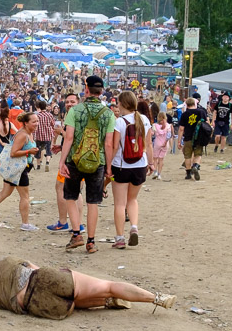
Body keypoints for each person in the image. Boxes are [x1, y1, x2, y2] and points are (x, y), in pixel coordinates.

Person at [0, 256, 175, 319]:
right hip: (46, 279)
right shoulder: (4, 262)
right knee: (107, 285)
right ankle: (155, 298)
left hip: (43, 307)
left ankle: (108, 301)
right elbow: (34, 267)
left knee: (73, 301)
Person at [60, 75, 117, 254]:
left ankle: (76, 234)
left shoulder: (75, 111)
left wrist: (62, 161)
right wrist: (108, 167)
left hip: (74, 160)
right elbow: (109, 143)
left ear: (86, 89)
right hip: (97, 161)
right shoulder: (108, 114)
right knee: (93, 202)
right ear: (101, 91)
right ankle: (91, 242)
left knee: (70, 196)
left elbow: (68, 137)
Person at [108, 90, 151, 249]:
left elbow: (114, 146)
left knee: (119, 204)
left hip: (121, 166)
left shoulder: (119, 122)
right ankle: (134, 227)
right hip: (140, 165)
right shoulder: (144, 119)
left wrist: (108, 166)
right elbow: (149, 144)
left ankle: (120, 238)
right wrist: (151, 163)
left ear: (121, 104)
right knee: (132, 199)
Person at [0, 112, 38, 232]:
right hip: (18, 169)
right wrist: (29, 152)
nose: (36, 124)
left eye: (37, 121)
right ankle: (25, 223)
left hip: (17, 169)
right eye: (34, 122)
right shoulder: (23, 135)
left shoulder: (28, 133)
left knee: (5, 193)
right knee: (25, 196)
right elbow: (13, 153)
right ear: (26, 123)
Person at [47, 92, 81, 231]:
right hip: (77, 158)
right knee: (76, 191)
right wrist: (61, 147)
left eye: (72, 102)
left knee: (61, 188)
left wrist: (61, 132)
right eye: (67, 102)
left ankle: (64, 222)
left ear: (78, 102)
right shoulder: (74, 116)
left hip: (72, 161)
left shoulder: (76, 117)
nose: (69, 104)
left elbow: (73, 137)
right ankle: (77, 223)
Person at [177, 97, 209, 180]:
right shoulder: (201, 112)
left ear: (186, 105)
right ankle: (196, 165)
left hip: (188, 137)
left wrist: (179, 141)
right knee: (198, 154)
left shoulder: (184, 114)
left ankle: (188, 174)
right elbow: (207, 124)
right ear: (195, 104)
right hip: (199, 137)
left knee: (187, 156)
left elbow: (181, 129)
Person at [33, 99, 55, 171]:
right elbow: (53, 124)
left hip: (39, 135)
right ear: (46, 106)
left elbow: (35, 125)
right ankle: (47, 162)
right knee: (48, 150)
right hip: (48, 135)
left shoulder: (37, 115)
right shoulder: (50, 115)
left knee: (38, 150)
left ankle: (38, 165)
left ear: (39, 106)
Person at [150, 112, 171, 179]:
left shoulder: (155, 125)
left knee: (155, 158)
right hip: (165, 144)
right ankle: (159, 174)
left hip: (157, 143)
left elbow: (152, 134)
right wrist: (165, 142)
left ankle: (155, 172)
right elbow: (169, 135)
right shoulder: (168, 126)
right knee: (161, 159)